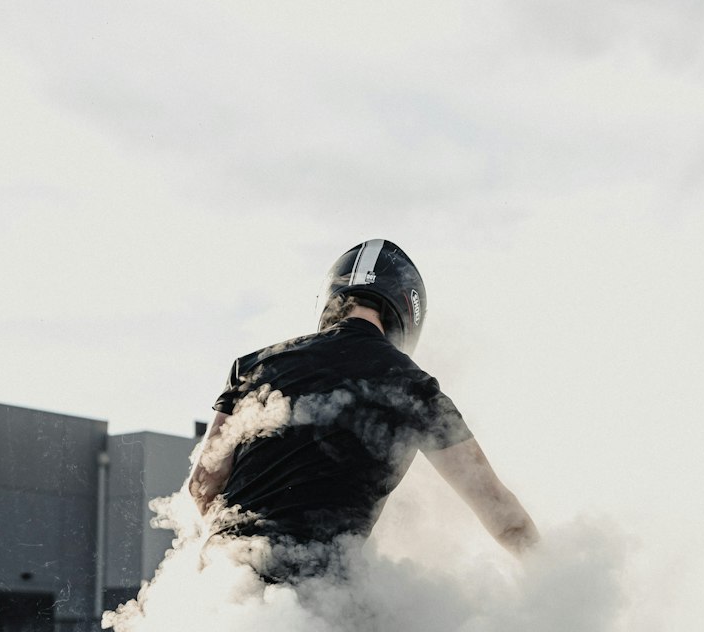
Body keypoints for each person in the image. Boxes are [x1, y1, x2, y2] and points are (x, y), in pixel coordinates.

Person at [189, 238, 537, 577]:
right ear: (406, 312)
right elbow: (499, 510)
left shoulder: (252, 365)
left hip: (223, 589)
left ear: (330, 299)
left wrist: (233, 556)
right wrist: (554, 577)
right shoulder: (415, 388)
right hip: (319, 601)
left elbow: (204, 483)